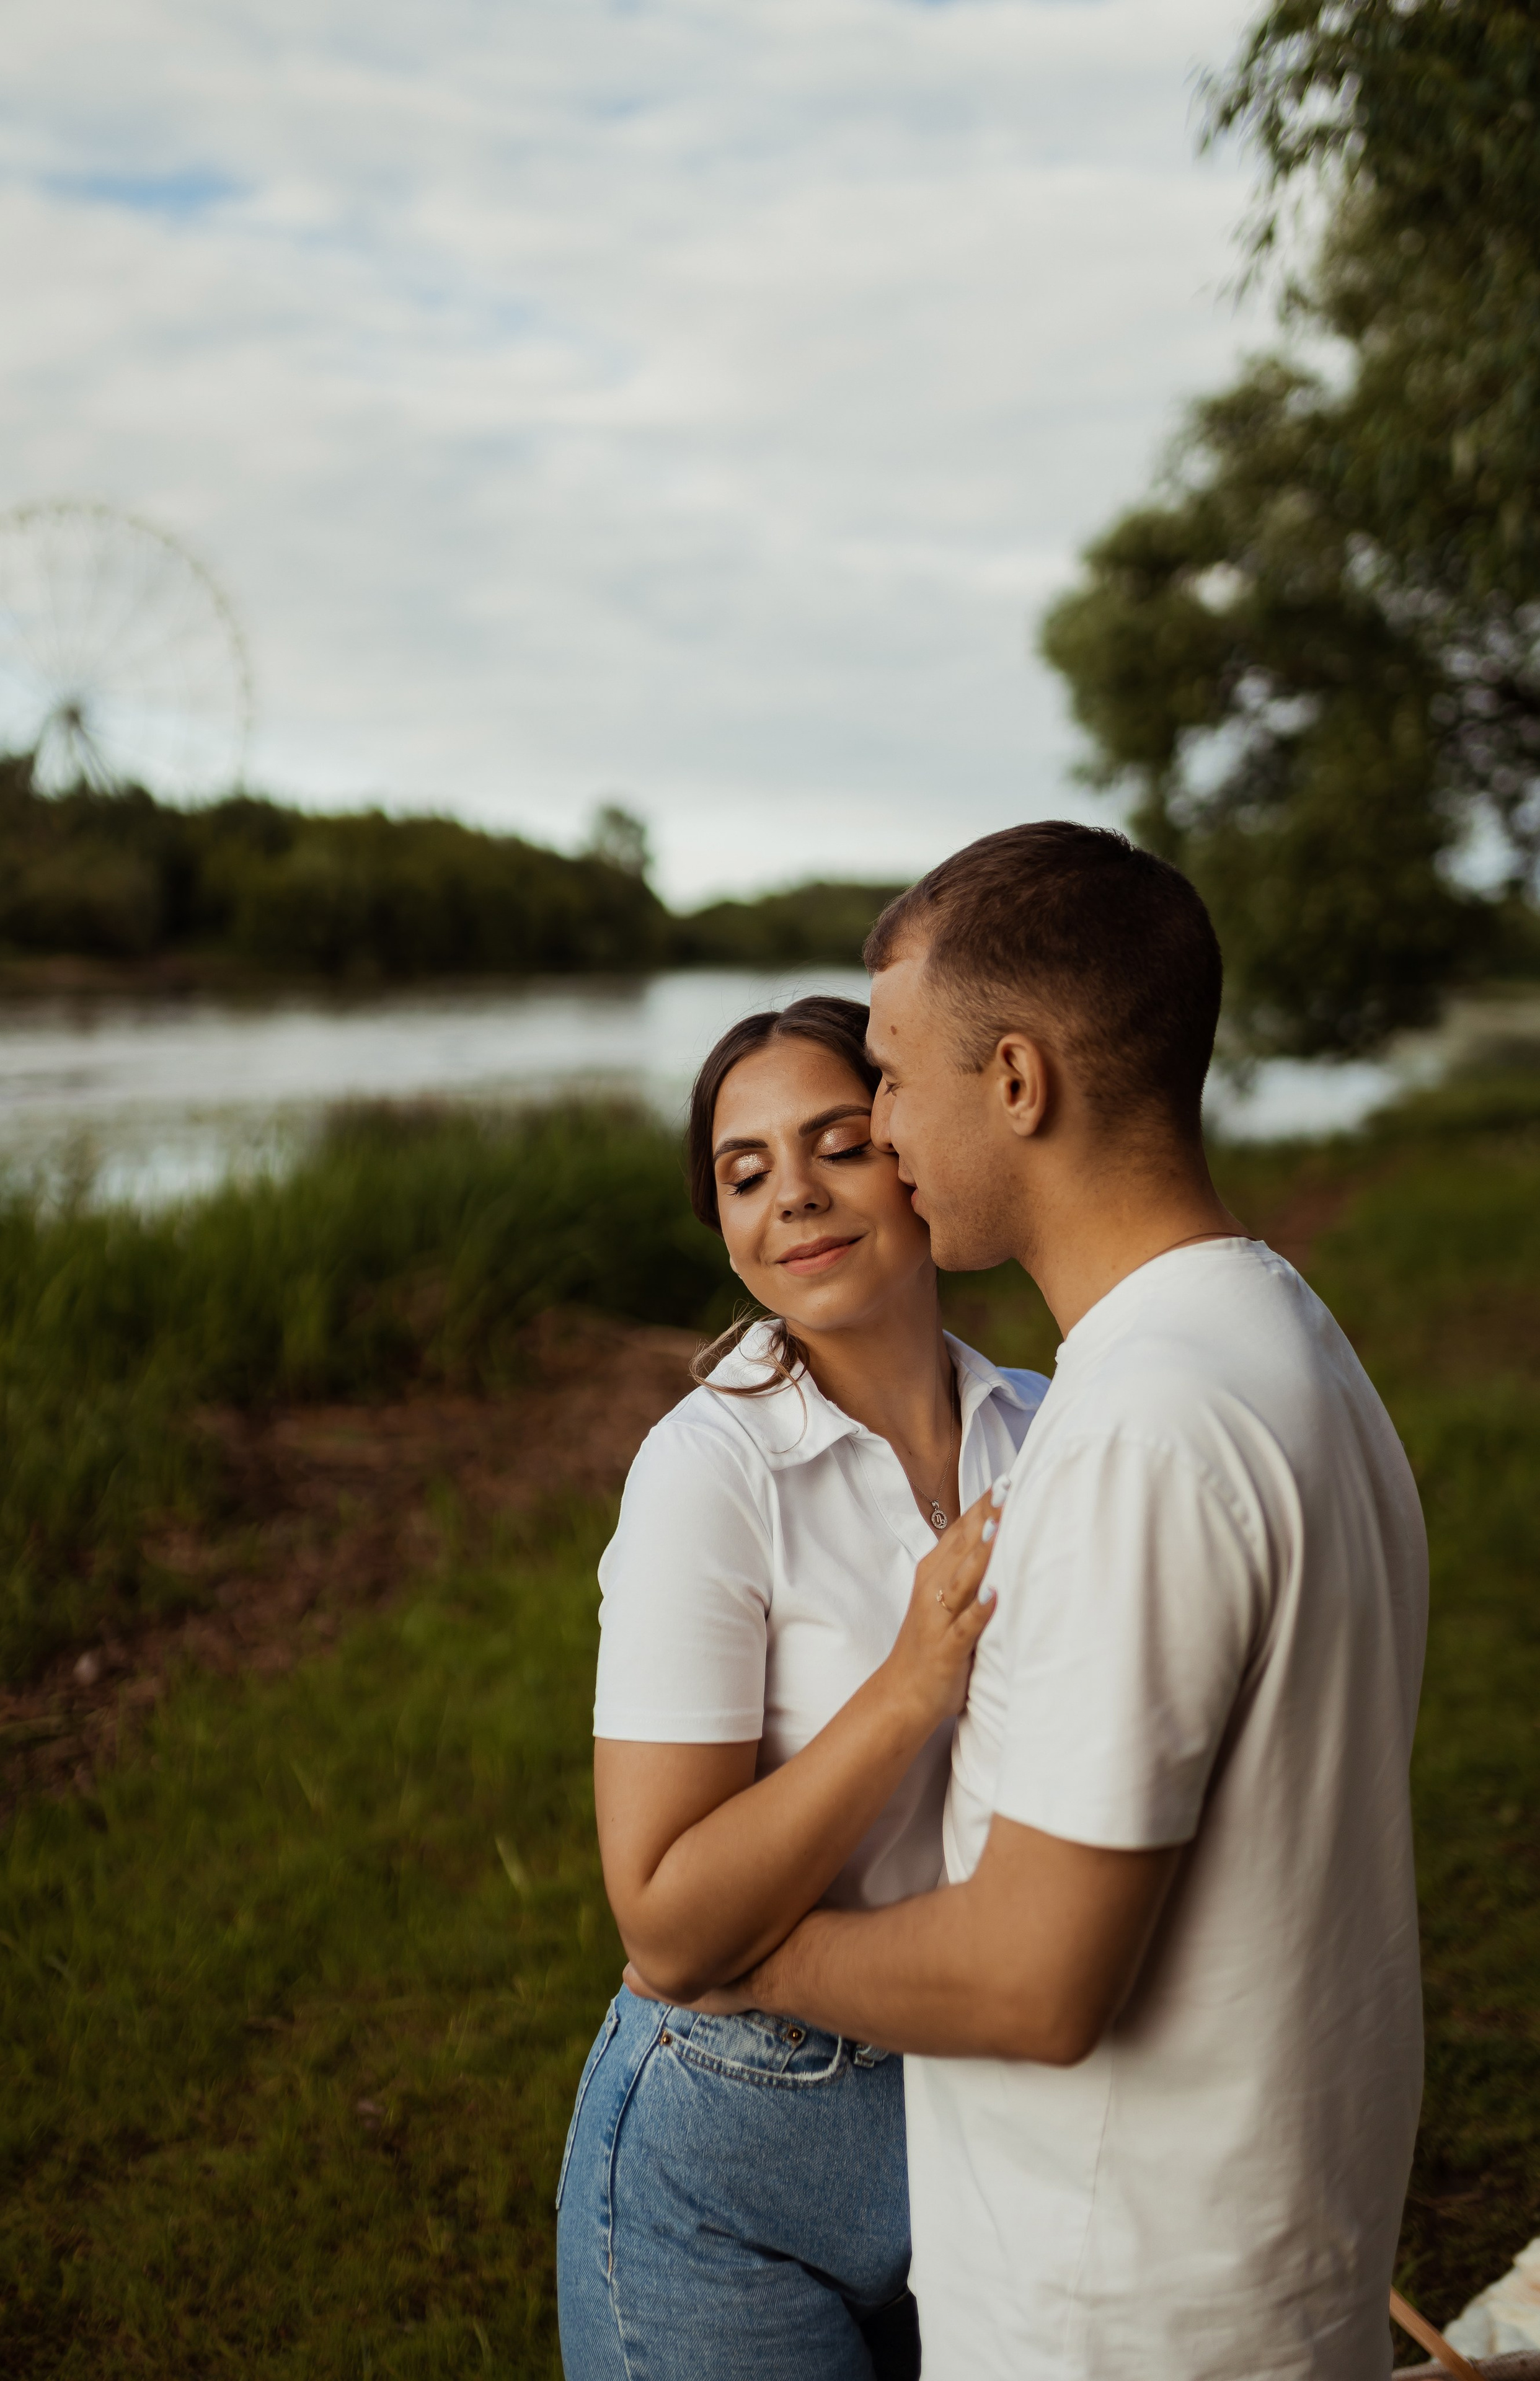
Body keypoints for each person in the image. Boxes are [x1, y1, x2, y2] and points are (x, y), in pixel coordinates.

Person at [657, 823, 1429, 2381]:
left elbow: (1033, 1976)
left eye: (888, 1079)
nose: (881, 1128)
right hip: (1252, 2253)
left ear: (1015, 1081)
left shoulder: (1140, 1431)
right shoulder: (1280, 1338)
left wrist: (755, 1967)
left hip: (1122, 2310)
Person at [555, 994, 1049, 2381]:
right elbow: (665, 1924)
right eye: (745, 1172)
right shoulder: (705, 1475)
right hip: (732, 2165)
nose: (795, 1198)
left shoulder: (1044, 1426)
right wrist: (907, 1685)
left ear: (912, 1148)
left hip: (984, 2104)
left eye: (837, 1144)